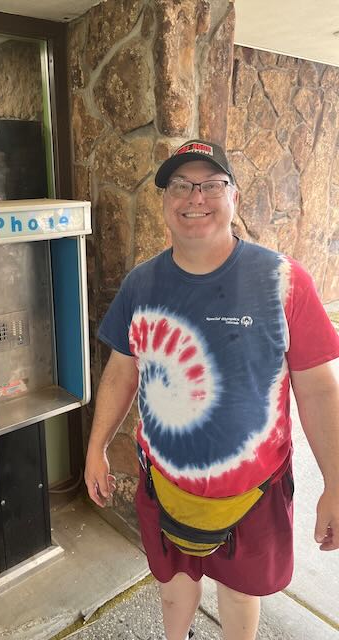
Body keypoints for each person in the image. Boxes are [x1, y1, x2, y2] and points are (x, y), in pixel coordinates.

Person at [84, 139, 339, 640]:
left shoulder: (284, 281)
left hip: (255, 491)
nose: (194, 197)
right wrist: (97, 447)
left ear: (234, 197)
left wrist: (336, 482)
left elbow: (319, 392)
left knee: (240, 594)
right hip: (162, 483)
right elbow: (121, 370)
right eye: (180, 185)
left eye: (211, 185)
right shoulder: (141, 284)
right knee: (172, 585)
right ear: (164, 200)